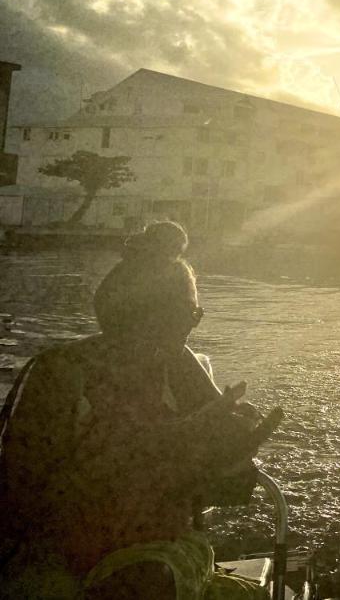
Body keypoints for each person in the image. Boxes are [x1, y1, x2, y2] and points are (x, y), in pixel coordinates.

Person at [0, 222, 283, 599]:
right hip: (57, 552)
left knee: (151, 576)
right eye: (188, 313)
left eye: (194, 314)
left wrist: (233, 449)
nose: (192, 324)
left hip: (159, 548)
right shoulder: (60, 373)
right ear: (141, 311)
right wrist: (177, 439)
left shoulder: (178, 365)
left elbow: (229, 486)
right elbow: (20, 494)